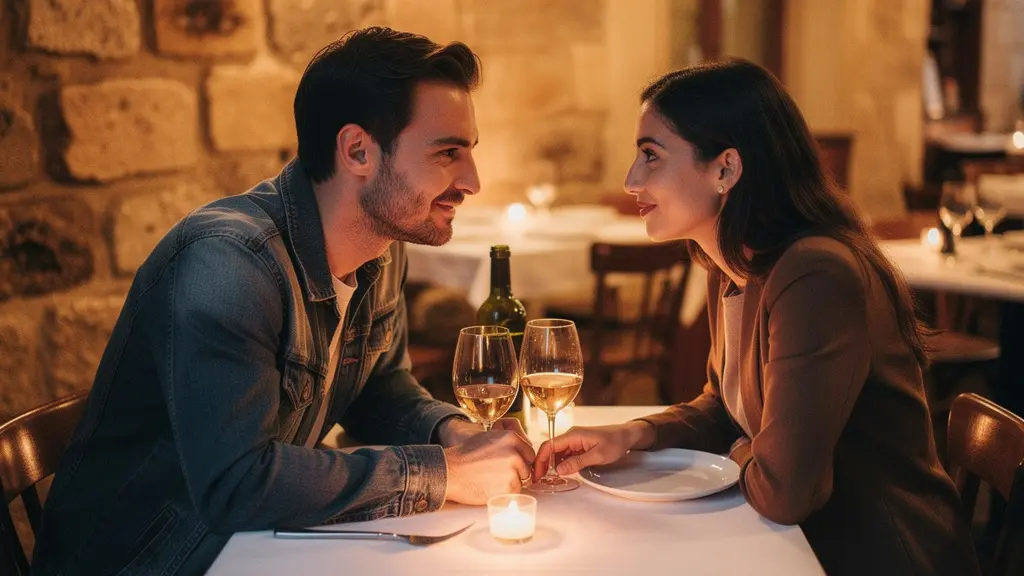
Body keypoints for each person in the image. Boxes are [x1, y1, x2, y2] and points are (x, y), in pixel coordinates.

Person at [33, 27, 535, 576]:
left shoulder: (382, 248)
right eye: (447, 153)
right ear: (358, 150)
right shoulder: (228, 264)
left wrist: (451, 433)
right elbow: (237, 484)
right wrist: (441, 473)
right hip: (153, 560)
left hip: (258, 545)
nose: (472, 180)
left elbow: (378, 391)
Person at [534, 60, 980, 576]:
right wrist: (631, 435)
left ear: (725, 169)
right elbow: (725, 408)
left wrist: (742, 453)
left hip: (869, 551)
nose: (632, 179)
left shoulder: (815, 274)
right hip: (791, 540)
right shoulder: (727, 264)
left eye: (651, 156)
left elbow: (786, 491)